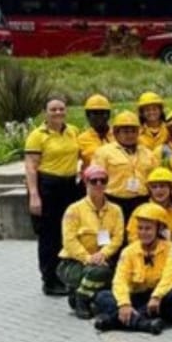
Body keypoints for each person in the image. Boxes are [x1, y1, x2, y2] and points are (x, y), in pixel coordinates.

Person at [93, 203, 172, 335]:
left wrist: (156, 296)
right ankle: (143, 323)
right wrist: (124, 304)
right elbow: (120, 280)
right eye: (140, 228)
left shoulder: (171, 249)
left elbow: (170, 277)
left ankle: (113, 321)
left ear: (159, 228)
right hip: (136, 297)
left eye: (148, 229)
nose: (143, 233)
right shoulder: (128, 251)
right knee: (102, 296)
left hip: (158, 297)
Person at [24, 97, 82, 295]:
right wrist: (34, 195)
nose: (57, 112)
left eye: (61, 109)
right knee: (49, 235)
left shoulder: (73, 131)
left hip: (69, 186)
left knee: (67, 232)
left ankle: (66, 276)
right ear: (45, 112)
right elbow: (31, 167)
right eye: (53, 109)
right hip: (47, 186)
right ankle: (49, 280)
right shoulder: (37, 135)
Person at [57, 165, 125, 318]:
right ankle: (82, 300)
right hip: (73, 262)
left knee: (114, 277)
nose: (99, 184)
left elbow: (117, 238)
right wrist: (88, 258)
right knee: (102, 272)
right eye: (94, 181)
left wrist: (103, 254)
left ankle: (81, 294)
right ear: (85, 183)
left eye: (103, 180)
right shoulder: (74, 210)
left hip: (103, 259)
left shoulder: (116, 210)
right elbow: (69, 240)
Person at [93, 110, 159, 225]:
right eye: (125, 131)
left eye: (133, 131)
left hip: (142, 201)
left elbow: (155, 179)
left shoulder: (148, 153)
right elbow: (95, 181)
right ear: (116, 133)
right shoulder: (103, 152)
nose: (130, 135)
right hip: (114, 202)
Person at [127, 167, 172, 246]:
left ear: (170, 188)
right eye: (154, 187)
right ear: (149, 190)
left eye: (162, 186)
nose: (158, 190)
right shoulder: (140, 211)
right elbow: (133, 239)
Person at [77, 94, 113, 168]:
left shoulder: (119, 135)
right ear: (88, 116)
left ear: (108, 115)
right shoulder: (81, 140)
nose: (99, 117)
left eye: (103, 113)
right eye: (95, 113)